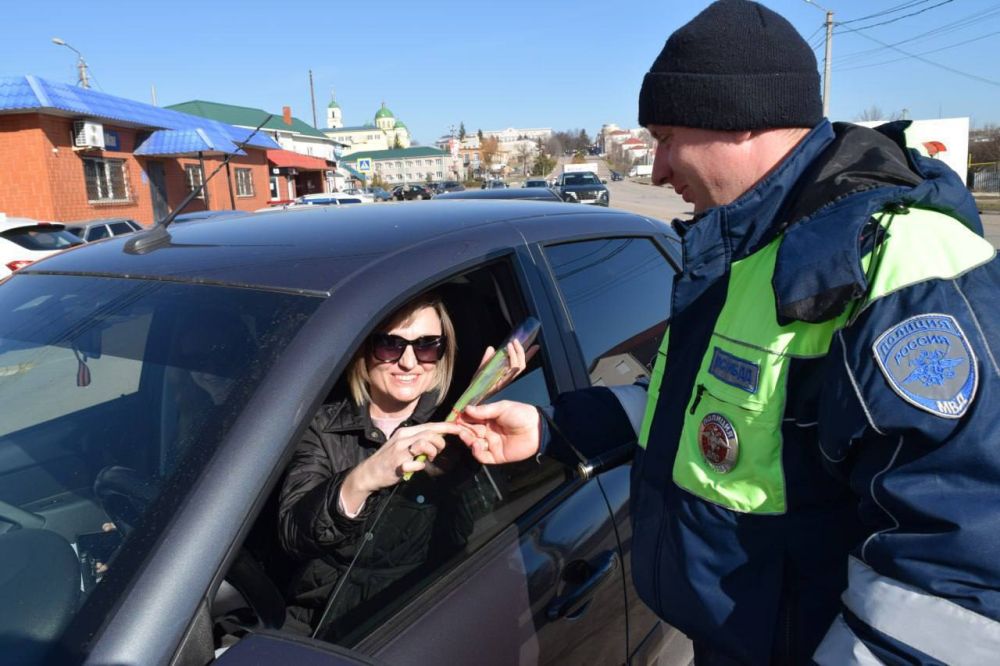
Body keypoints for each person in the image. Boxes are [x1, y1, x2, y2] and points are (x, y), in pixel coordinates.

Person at [455, 1, 1000, 664]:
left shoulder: (895, 260)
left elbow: (956, 559)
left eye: (665, 135)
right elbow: (716, 409)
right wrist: (554, 429)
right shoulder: (754, 248)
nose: (655, 170)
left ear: (739, 121)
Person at [277, 293, 528, 638]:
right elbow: (293, 533)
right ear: (364, 349)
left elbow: (472, 531)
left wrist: (476, 405)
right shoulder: (322, 423)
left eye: (427, 345)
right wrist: (364, 478)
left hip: (413, 614)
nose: (409, 362)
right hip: (321, 618)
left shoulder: (452, 421)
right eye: (390, 345)